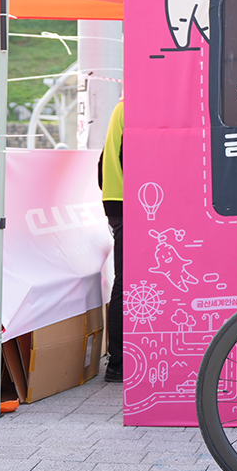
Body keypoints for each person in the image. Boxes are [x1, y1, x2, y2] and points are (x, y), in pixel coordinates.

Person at [98, 98, 124, 383]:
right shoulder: (133, 107)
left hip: (117, 198)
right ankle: (118, 362)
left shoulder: (122, 106)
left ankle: (118, 361)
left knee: (125, 280)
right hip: (126, 199)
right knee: (126, 281)